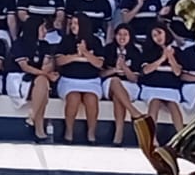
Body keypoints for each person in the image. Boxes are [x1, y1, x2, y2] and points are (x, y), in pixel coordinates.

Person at [53, 15, 105, 144]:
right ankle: (69, 132)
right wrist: (76, 55)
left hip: (91, 81)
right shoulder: (66, 40)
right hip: (69, 80)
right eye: (72, 23)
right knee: (73, 97)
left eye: (76, 23)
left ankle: (91, 133)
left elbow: (99, 64)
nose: (73, 26)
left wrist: (85, 52)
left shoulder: (95, 41)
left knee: (91, 99)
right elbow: (59, 61)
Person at [99, 22, 147, 146]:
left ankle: (118, 134)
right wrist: (115, 69)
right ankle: (134, 112)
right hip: (110, 83)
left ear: (130, 36)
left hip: (129, 85)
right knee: (115, 81)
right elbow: (101, 74)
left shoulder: (135, 52)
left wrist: (125, 67)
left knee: (118, 97)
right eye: (119, 34)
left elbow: (134, 79)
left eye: (125, 34)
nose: (122, 37)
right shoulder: (108, 49)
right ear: (115, 36)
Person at [136, 22, 188, 136]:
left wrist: (170, 57)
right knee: (154, 102)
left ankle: (181, 136)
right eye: (154, 35)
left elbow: (177, 72)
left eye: (159, 33)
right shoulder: (148, 51)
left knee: (173, 105)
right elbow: (146, 70)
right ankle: (152, 138)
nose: (157, 37)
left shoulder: (176, 51)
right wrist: (162, 58)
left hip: (170, 88)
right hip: (151, 87)